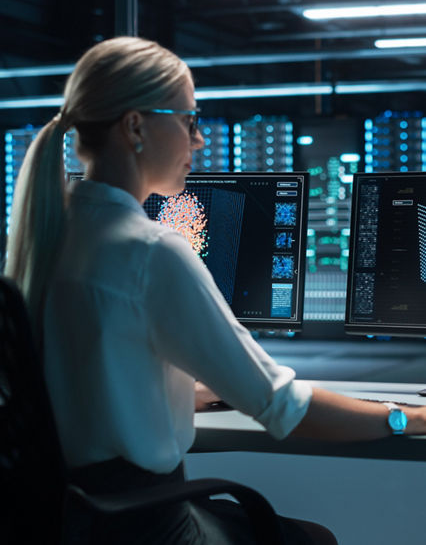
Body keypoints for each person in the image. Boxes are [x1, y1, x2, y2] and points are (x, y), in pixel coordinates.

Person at [4, 36, 426, 545]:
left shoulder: (50, 233)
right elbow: (282, 407)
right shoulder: (150, 250)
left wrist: (187, 391)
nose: (198, 140)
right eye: (188, 120)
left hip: (71, 520)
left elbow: (87, 376)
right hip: (145, 528)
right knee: (313, 540)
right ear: (135, 126)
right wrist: (409, 418)